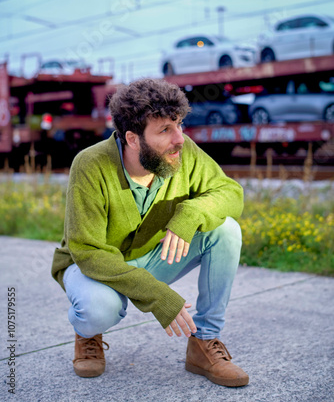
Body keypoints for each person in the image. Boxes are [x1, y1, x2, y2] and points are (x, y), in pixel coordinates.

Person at [51, 78, 249, 387]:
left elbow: (230, 193)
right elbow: (87, 249)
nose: (179, 139)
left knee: (226, 230)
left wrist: (191, 214)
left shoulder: (184, 155)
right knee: (99, 309)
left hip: (150, 258)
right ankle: (87, 333)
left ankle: (204, 343)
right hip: (91, 265)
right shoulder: (90, 165)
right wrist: (158, 297)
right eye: (165, 130)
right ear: (132, 139)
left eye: (179, 125)